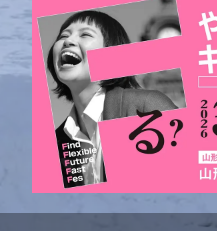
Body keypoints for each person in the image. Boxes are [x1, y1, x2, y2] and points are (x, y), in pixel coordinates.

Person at [45, 10, 178, 187]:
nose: (68, 41)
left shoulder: (146, 109)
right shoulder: (57, 143)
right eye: (63, 36)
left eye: (85, 34)